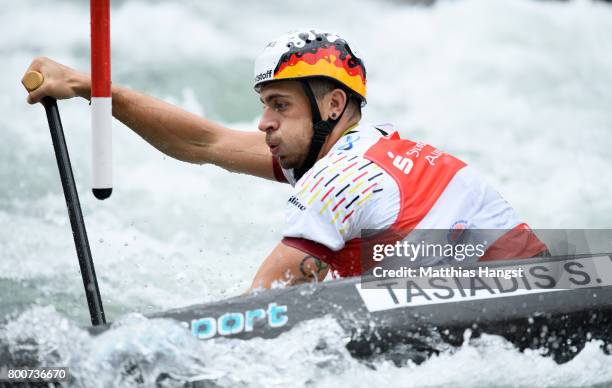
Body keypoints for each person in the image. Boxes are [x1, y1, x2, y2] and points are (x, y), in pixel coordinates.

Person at [22, 29, 548, 291]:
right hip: (545, 284)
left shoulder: (340, 180)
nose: (263, 123)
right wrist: (91, 86)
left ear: (333, 106)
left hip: (505, 311)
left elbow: (255, 316)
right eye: (264, 106)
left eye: (279, 106)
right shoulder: (371, 148)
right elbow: (201, 142)